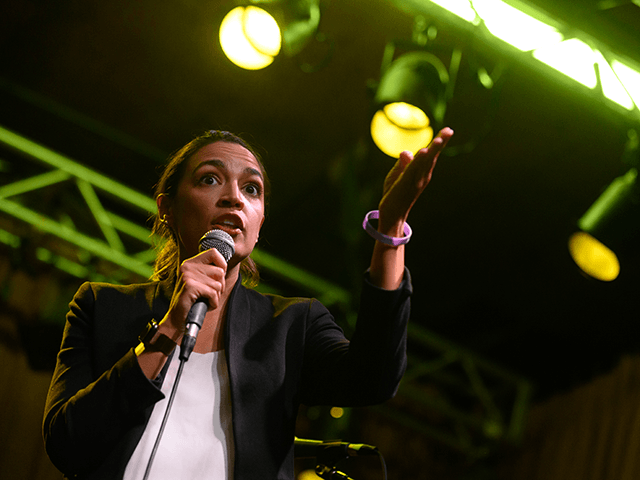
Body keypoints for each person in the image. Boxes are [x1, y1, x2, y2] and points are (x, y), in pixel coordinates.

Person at [43, 127, 454, 479]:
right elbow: (67, 443)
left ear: (259, 221)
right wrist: (169, 329)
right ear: (167, 208)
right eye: (209, 180)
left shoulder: (292, 325)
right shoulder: (102, 307)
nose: (234, 198)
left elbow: (374, 378)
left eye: (251, 189)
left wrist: (391, 228)